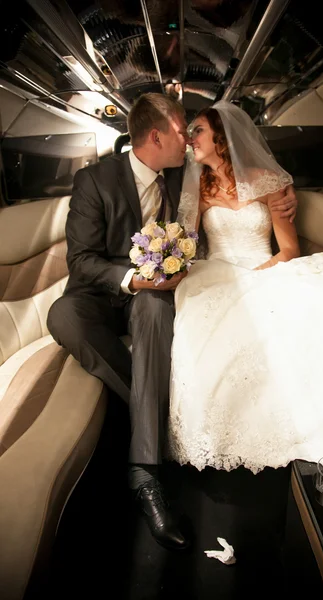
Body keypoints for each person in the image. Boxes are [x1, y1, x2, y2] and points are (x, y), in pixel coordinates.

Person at [46, 93, 298, 550]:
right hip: (107, 289)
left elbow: (241, 174)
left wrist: (282, 191)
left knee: (155, 308)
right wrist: (132, 280)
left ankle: (144, 474)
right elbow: (81, 261)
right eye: (183, 131)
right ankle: (160, 408)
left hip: (157, 292)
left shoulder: (189, 171)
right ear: (157, 135)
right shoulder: (94, 180)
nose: (188, 141)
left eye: (193, 133)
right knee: (62, 315)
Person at [167, 100, 323, 474]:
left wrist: (258, 274)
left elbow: (289, 249)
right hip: (217, 273)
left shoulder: (269, 181)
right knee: (205, 321)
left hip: (268, 267)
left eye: (198, 131)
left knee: (320, 308)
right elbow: (188, 247)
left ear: (221, 138)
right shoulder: (199, 191)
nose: (192, 139)